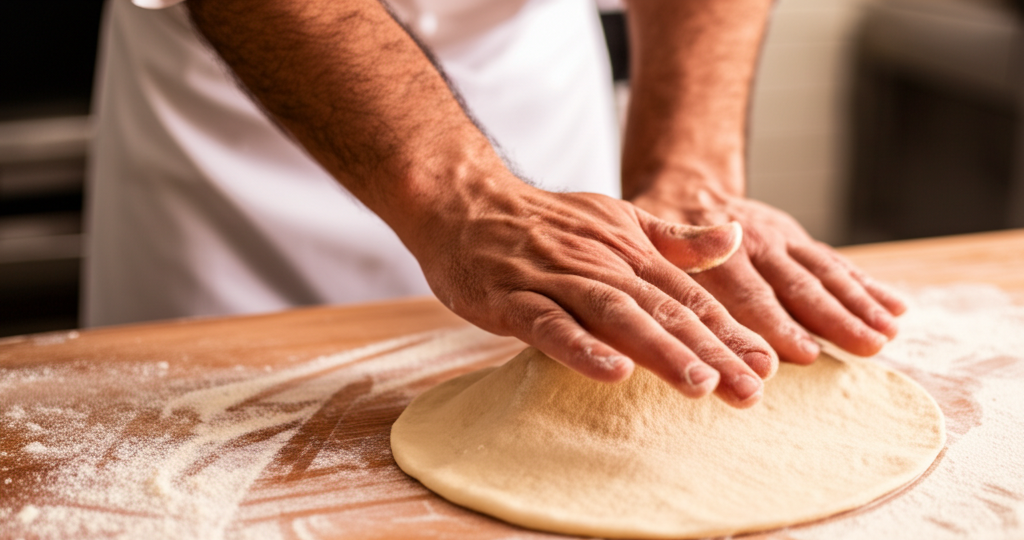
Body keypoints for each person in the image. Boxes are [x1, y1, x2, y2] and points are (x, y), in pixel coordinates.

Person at [83, 0, 906, 409]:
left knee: (591, 383)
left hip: (532, 76)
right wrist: (459, 195)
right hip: (249, 141)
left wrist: (693, 170)